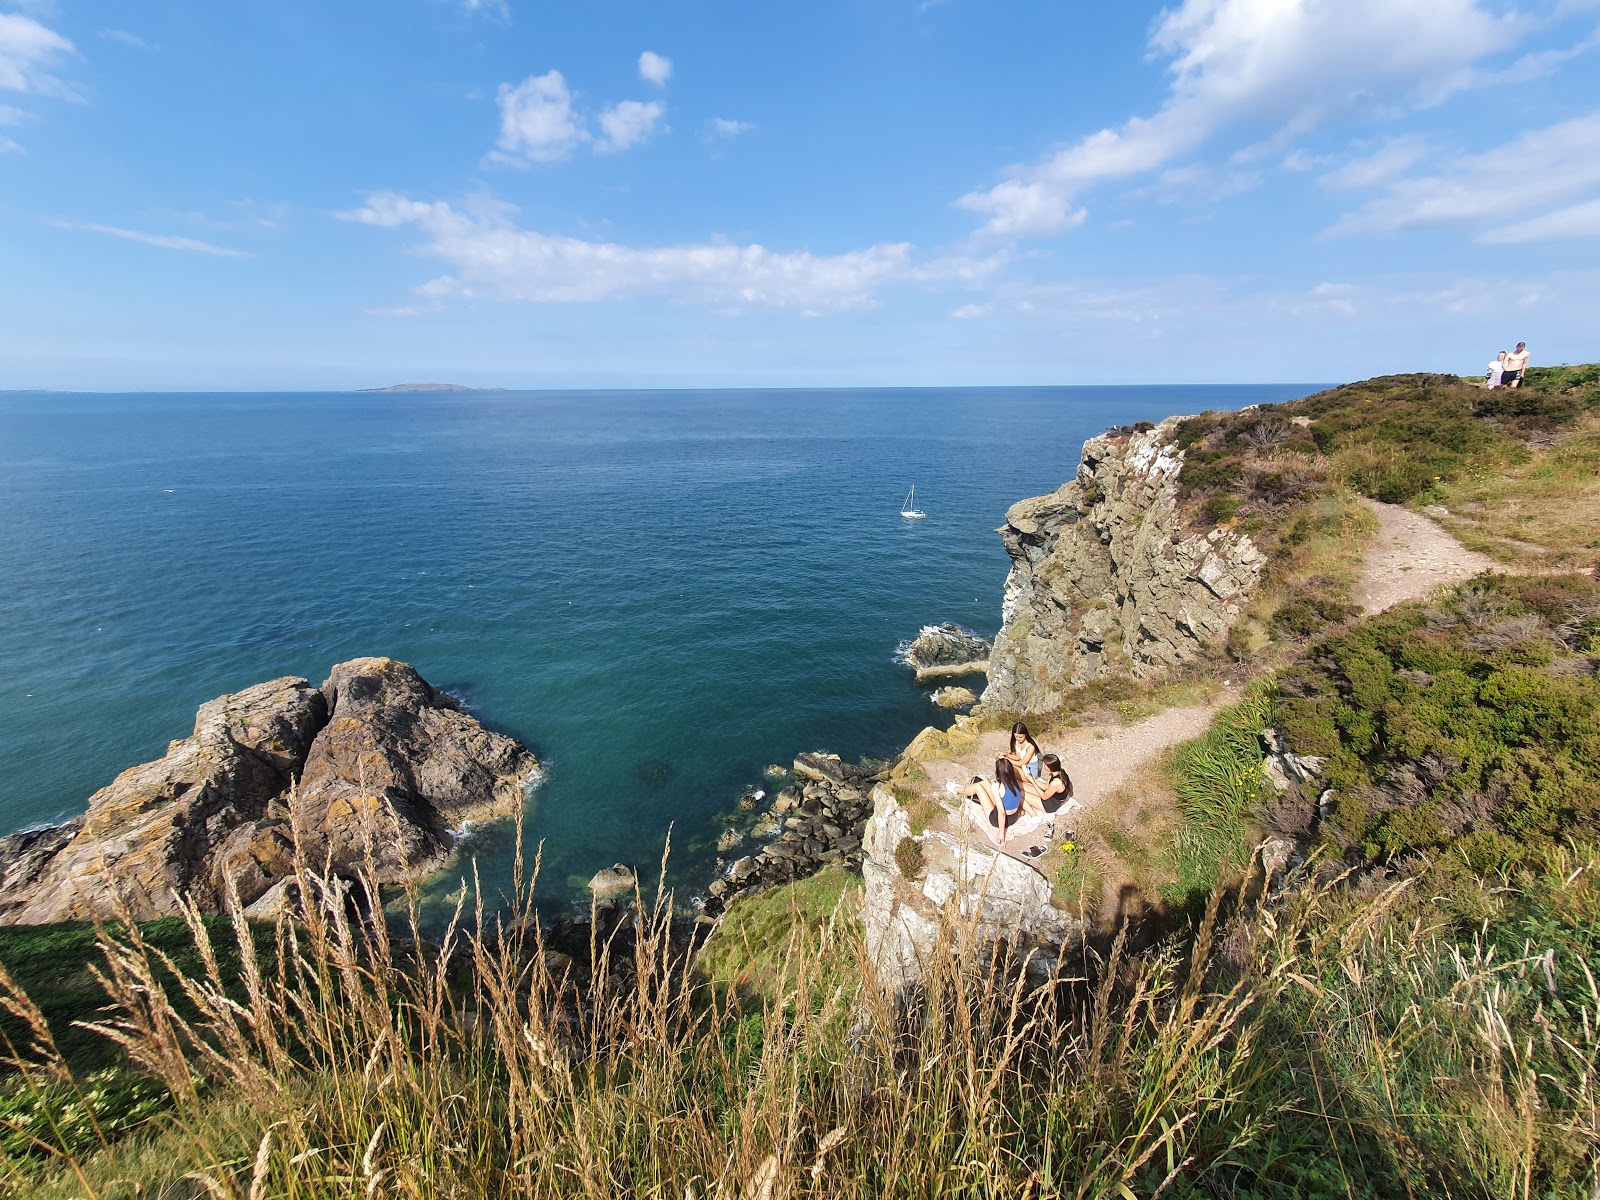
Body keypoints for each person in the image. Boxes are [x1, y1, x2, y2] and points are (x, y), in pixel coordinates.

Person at [963, 757, 1027, 846]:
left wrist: (1001, 832)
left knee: (978, 788)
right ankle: (967, 788)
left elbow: (1001, 813)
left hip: (997, 820)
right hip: (1013, 817)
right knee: (985, 783)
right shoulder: (1014, 783)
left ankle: (957, 789)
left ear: (997, 773)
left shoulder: (997, 787)